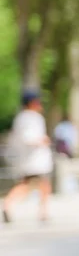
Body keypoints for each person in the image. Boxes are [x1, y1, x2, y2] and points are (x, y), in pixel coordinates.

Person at [3, 91, 54, 224]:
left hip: (32, 159)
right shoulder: (29, 118)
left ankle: (43, 212)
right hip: (33, 160)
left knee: (41, 185)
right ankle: (8, 205)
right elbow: (27, 138)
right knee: (27, 186)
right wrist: (41, 141)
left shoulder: (23, 117)